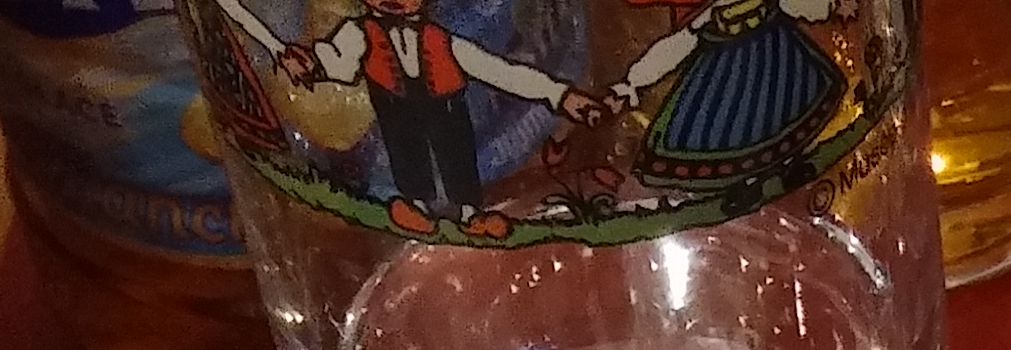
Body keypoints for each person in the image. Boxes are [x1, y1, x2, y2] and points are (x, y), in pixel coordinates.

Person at [282, 0, 579, 238]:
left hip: (479, 126)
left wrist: (558, 96)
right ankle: (416, 207)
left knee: (456, 158)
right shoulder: (361, 34)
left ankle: (470, 214)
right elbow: (335, 68)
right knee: (407, 156)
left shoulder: (447, 38)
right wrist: (312, 67)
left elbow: (496, 69)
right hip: (388, 125)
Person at [607, 0, 857, 195]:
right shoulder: (705, 14)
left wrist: (832, 6)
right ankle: (742, 187)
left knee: (784, 116)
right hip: (724, 80)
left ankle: (791, 168)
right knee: (727, 133)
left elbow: (792, 3)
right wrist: (632, 84)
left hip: (778, 63)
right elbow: (677, 46)